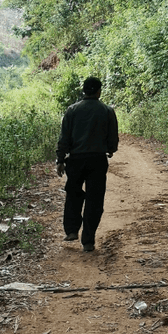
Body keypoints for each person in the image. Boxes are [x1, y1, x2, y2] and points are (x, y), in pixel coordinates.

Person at [56, 76, 119, 252]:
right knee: (95, 199)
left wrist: (60, 160)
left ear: (84, 91)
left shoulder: (72, 110)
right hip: (97, 160)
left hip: (75, 160)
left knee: (73, 194)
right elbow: (113, 137)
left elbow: (64, 138)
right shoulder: (107, 111)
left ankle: (71, 231)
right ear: (99, 91)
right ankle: (88, 240)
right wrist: (110, 149)